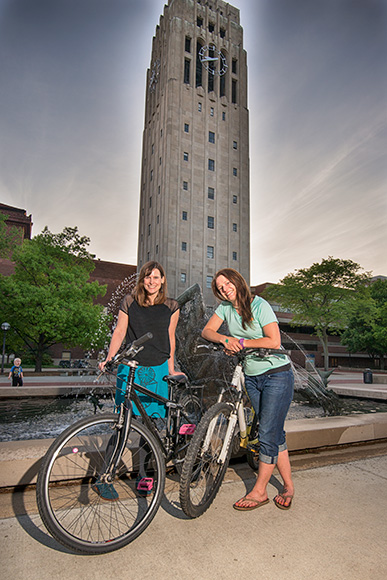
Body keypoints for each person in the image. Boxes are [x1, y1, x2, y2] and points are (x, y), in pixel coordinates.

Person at [202, 268, 294, 511]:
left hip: (277, 375)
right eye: (220, 287)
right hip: (252, 377)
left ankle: (260, 491)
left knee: (266, 432)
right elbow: (207, 331)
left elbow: (274, 341)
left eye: (227, 283)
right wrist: (225, 340)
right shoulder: (224, 309)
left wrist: (240, 343)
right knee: (275, 432)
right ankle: (288, 486)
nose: (225, 288)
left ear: (237, 281)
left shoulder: (259, 304)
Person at [99, 260, 182, 419]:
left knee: (151, 421)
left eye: (156, 278)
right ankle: (118, 444)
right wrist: (109, 358)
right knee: (123, 418)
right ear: (142, 280)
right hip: (131, 366)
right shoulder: (130, 302)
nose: (152, 282)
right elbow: (119, 331)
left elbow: (170, 337)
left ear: (162, 280)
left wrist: (171, 369)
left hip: (158, 367)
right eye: (147, 277)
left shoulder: (172, 306)